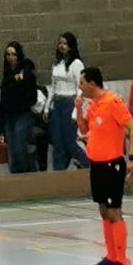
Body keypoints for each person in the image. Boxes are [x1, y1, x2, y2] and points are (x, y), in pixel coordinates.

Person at [77, 65, 133, 265]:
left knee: (114, 212)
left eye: (82, 83)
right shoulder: (92, 105)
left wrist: (132, 157)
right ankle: (111, 257)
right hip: (97, 164)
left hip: (113, 164)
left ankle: (122, 262)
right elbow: (85, 129)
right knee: (103, 210)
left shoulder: (112, 102)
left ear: (92, 84)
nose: (80, 87)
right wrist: (79, 110)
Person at [0, 41, 42, 176]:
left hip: (24, 114)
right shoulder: (6, 77)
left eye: (13, 54)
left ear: (18, 55)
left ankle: (28, 173)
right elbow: (2, 103)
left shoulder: (27, 73)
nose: (10, 57)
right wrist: (0, 130)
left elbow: (32, 97)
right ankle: (17, 177)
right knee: (13, 151)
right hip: (9, 116)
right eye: (8, 54)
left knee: (19, 144)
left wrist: (21, 80)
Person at [45, 33, 84, 172]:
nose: (62, 46)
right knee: (57, 142)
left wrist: (75, 111)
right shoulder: (56, 63)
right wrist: (47, 107)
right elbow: (53, 87)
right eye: (60, 43)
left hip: (70, 103)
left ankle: (89, 165)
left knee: (70, 141)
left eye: (65, 43)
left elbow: (80, 88)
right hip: (57, 104)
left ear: (71, 46)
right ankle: (59, 174)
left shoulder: (76, 63)